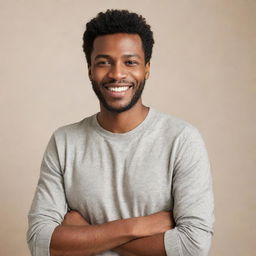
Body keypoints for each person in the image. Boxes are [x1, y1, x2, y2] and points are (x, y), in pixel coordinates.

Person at [27, 9, 214, 256]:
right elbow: (40, 242)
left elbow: (193, 247)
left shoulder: (182, 140)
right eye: (104, 62)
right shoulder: (64, 142)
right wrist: (139, 226)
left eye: (130, 62)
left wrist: (87, 233)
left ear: (146, 68)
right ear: (90, 69)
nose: (116, 73)